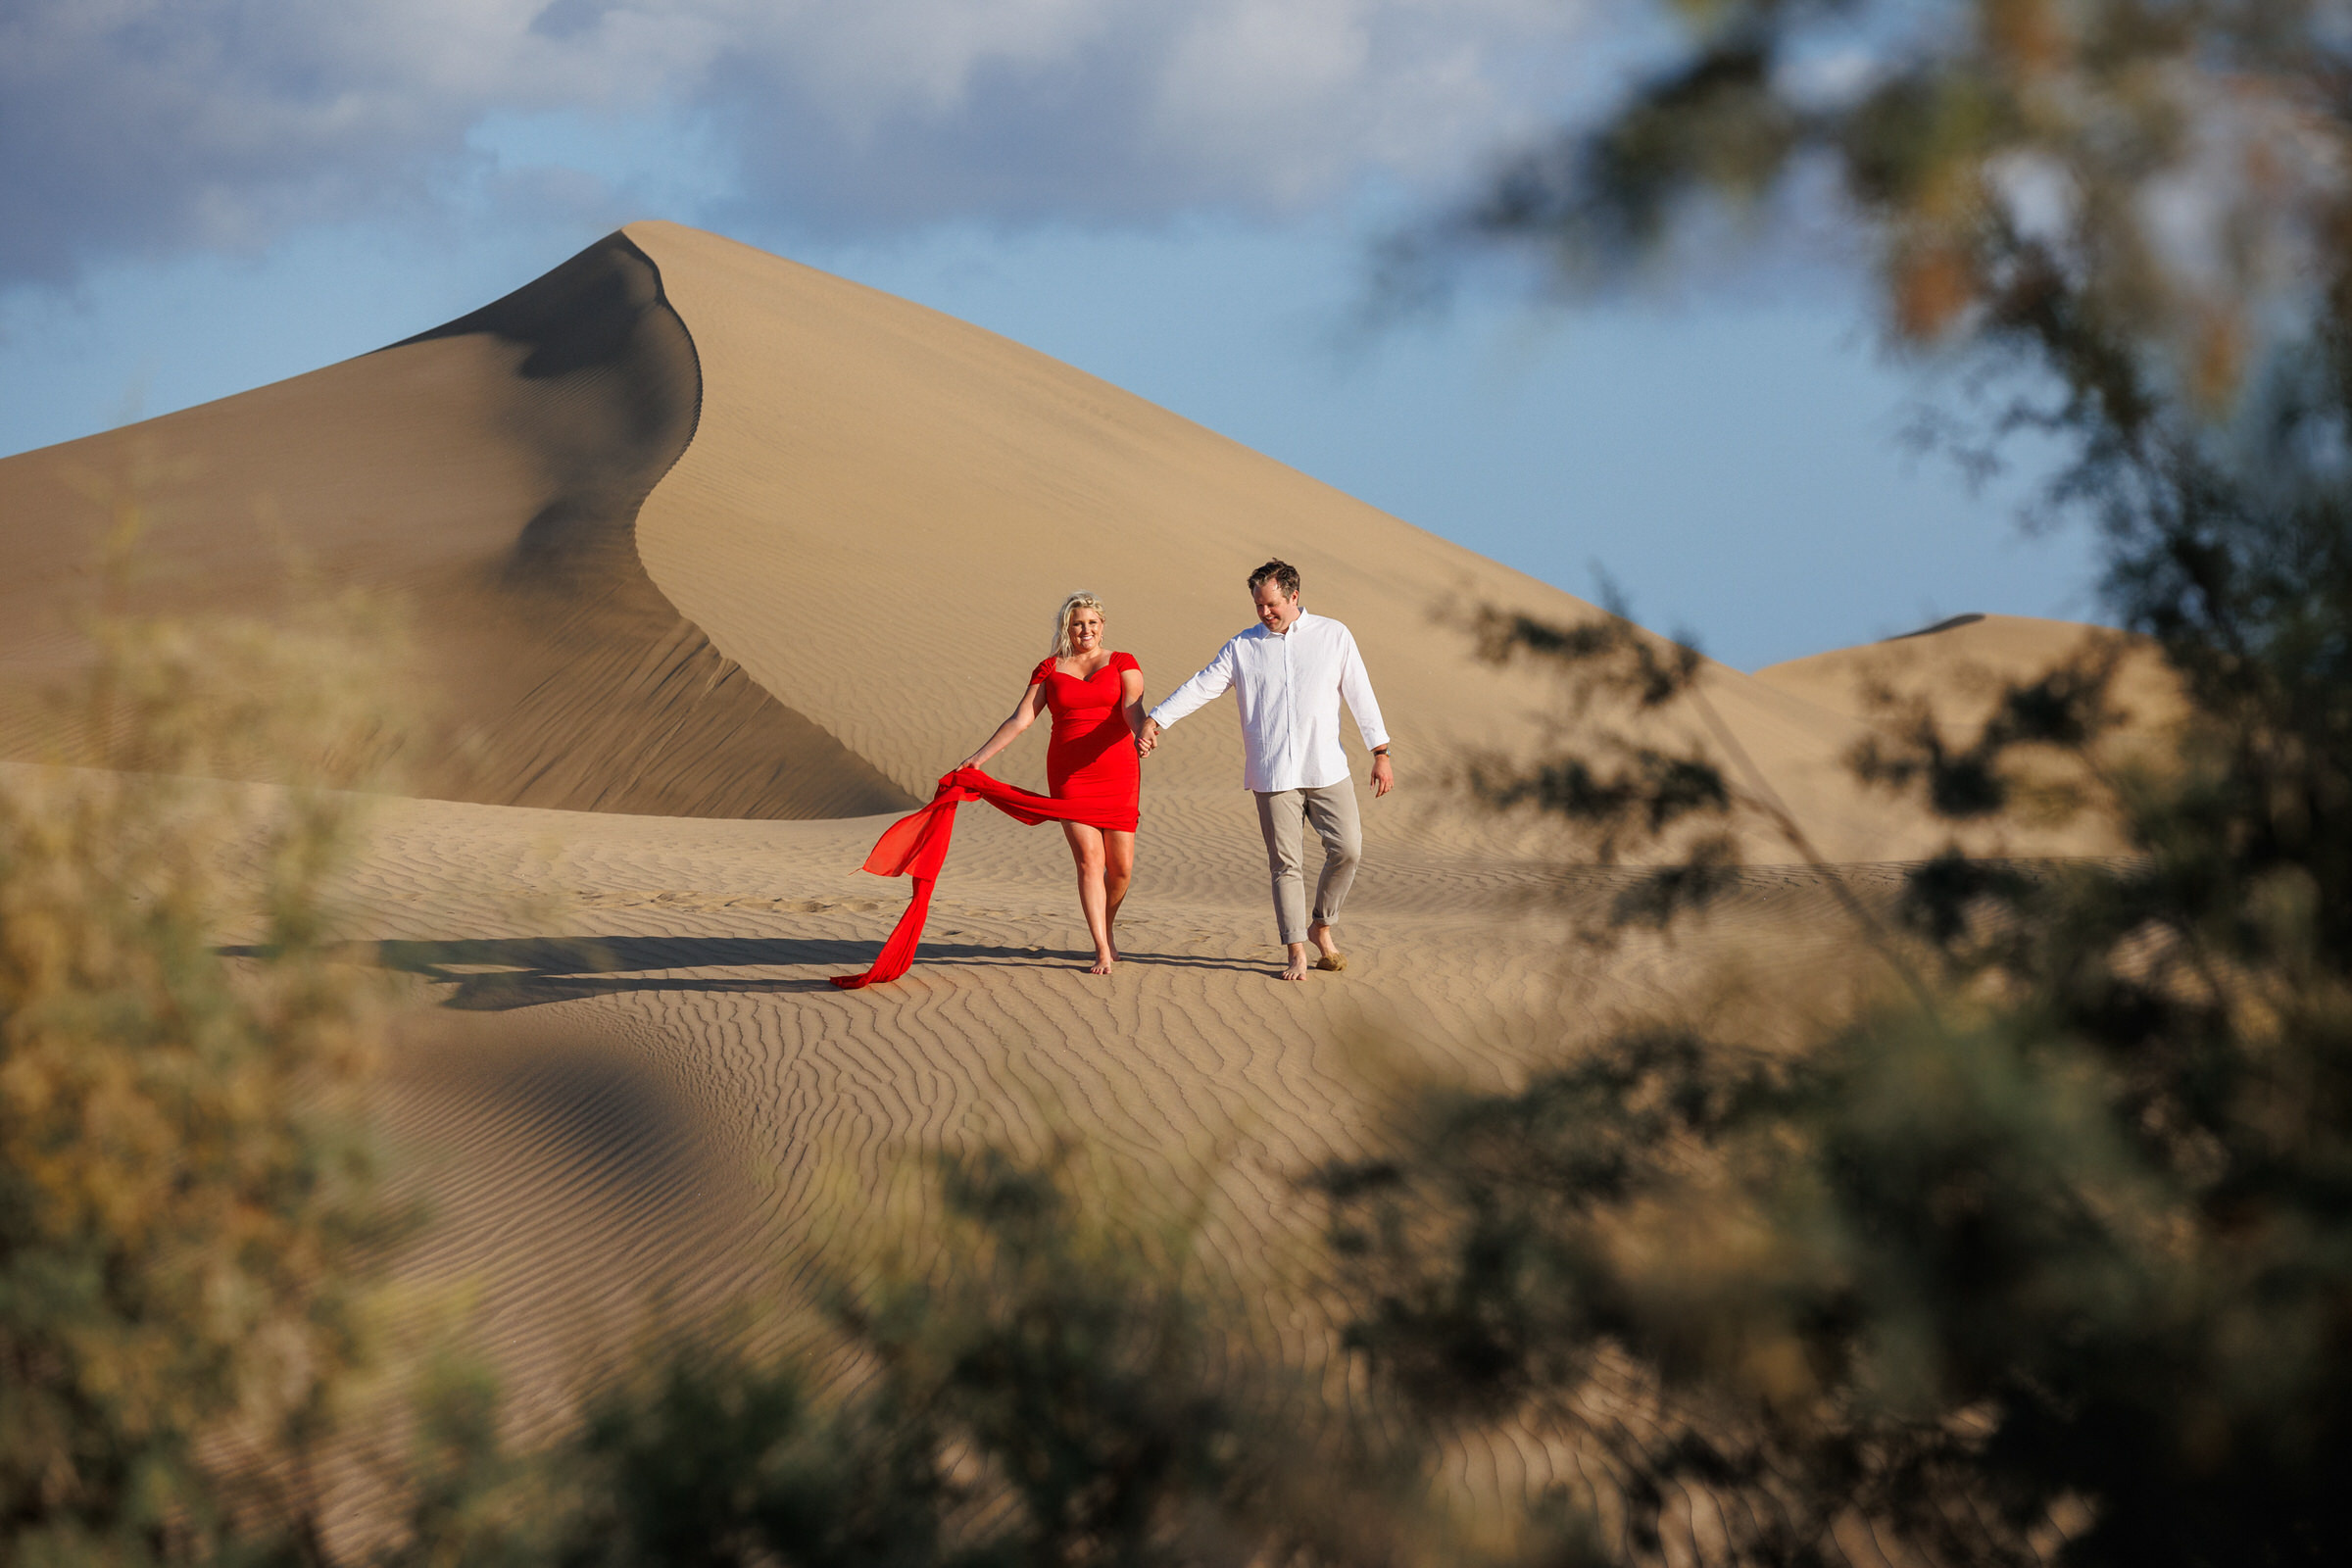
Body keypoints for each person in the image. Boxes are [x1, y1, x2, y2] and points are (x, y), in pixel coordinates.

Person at [1139, 559, 1392, 981]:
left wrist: (1380, 751)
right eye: (1258, 605)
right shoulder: (1243, 647)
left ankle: (1320, 926)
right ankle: (1296, 949)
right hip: (1273, 772)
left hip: (1326, 767)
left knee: (1348, 849)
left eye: (1271, 604)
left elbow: (1360, 693)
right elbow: (1203, 684)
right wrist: (1157, 719)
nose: (1264, 613)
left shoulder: (1333, 635)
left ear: (1294, 596)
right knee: (1285, 865)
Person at [956, 592, 1146, 975]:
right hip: (1070, 773)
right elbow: (1020, 719)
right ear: (1067, 627)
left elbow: (1133, 709)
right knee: (1090, 862)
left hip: (1117, 770)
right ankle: (1101, 950)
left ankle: (1107, 930)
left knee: (1121, 869)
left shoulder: (1123, 661)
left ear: (1102, 625)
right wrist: (978, 758)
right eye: (1078, 623)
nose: (1085, 630)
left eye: (1092, 623)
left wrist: (1144, 732)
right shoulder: (1049, 668)